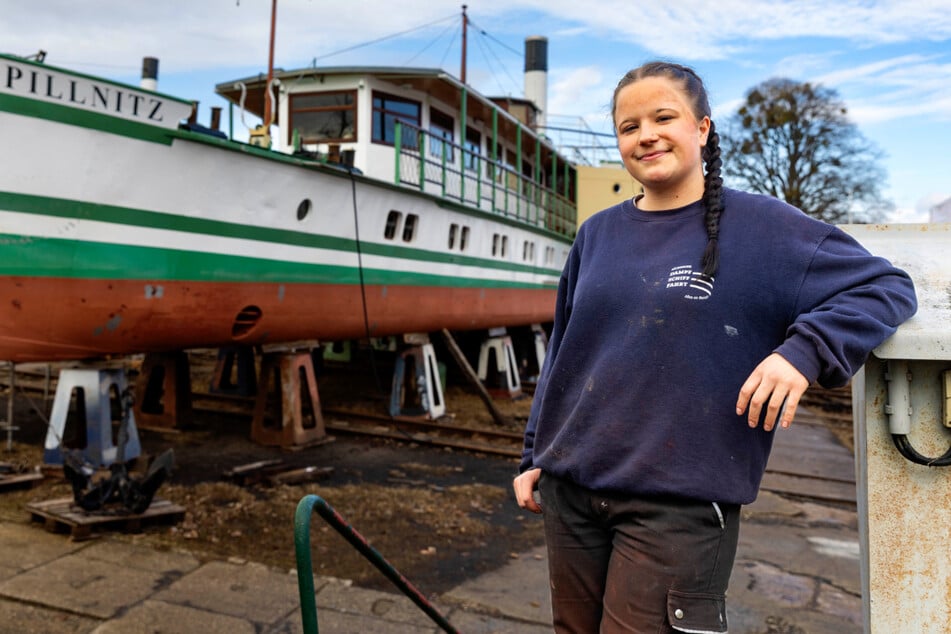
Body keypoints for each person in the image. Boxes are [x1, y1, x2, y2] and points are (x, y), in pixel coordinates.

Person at [512, 61, 918, 634]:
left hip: (675, 509)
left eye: (663, 117)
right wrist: (535, 455)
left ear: (702, 128)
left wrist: (802, 353)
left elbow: (886, 287)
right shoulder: (596, 234)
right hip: (571, 494)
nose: (645, 135)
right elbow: (564, 354)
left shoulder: (764, 229)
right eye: (629, 127)